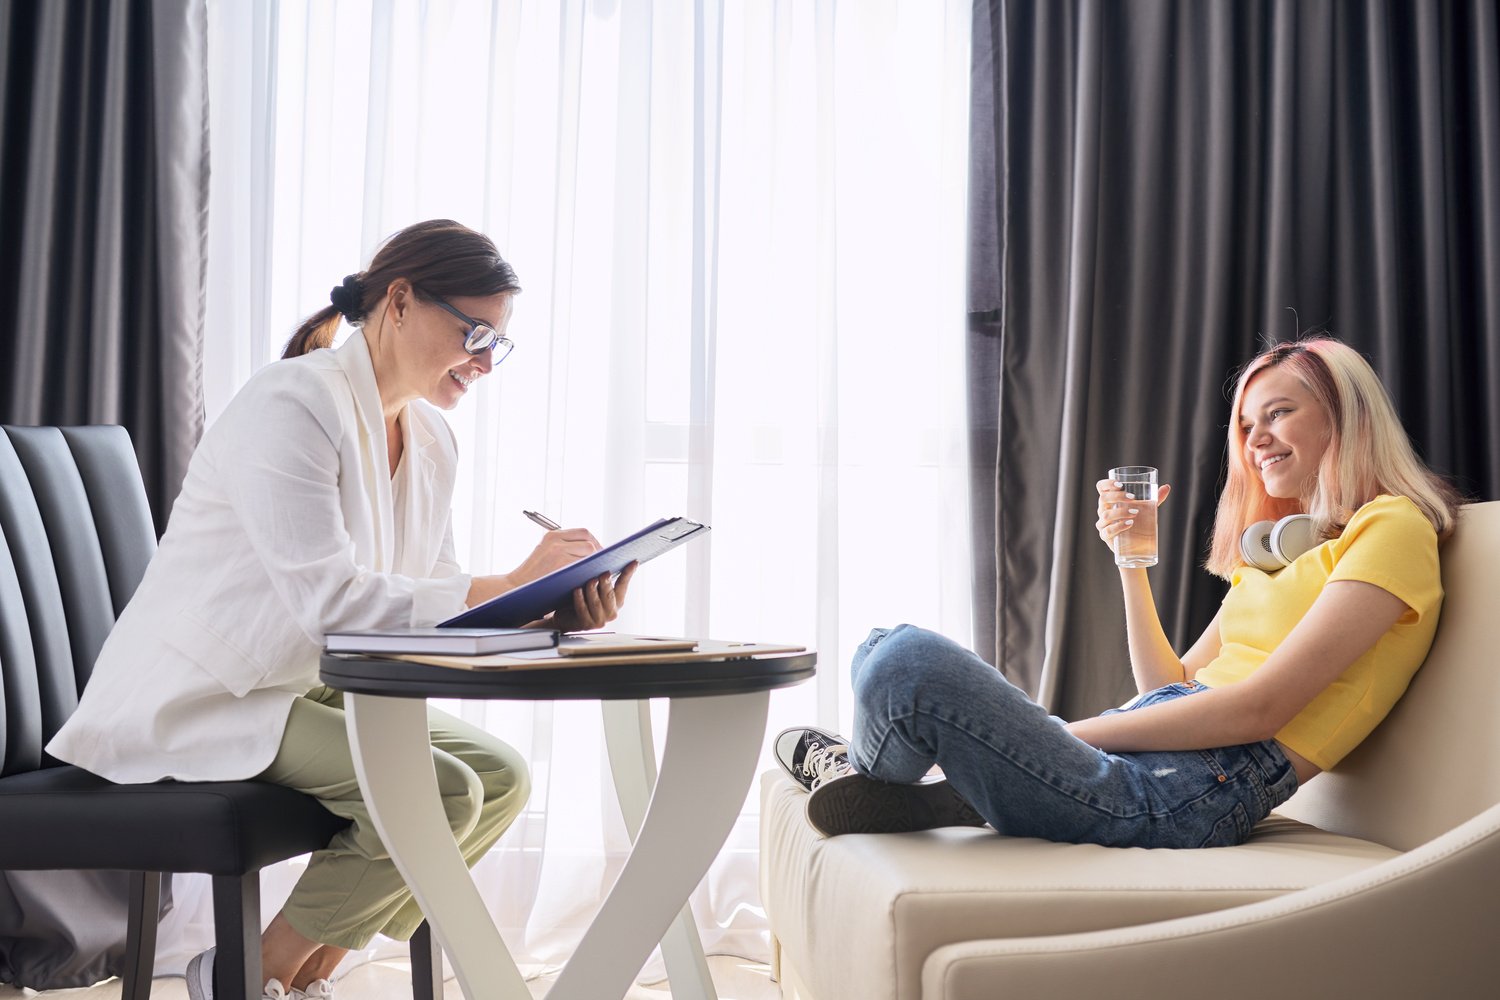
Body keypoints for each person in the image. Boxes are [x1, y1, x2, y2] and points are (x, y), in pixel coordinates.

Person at [47, 219, 637, 1000]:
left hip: (294, 679)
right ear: (398, 301)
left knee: (503, 780)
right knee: (447, 792)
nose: (486, 362)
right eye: (475, 333)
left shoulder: (430, 440)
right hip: (204, 690)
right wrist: (504, 585)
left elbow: (433, 601)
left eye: (500, 343)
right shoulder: (293, 401)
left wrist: (542, 610)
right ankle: (244, 976)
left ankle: (289, 974)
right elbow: (333, 606)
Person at [775, 337, 1463, 848]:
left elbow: (1260, 708)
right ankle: (898, 786)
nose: (1256, 441)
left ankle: (878, 775)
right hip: (1150, 759)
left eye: (1278, 414)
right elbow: (1171, 681)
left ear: (1344, 417)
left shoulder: (1392, 528)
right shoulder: (1278, 550)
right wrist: (1130, 563)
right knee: (878, 648)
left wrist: (1052, 736)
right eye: (1246, 427)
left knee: (906, 663)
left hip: (1192, 793)